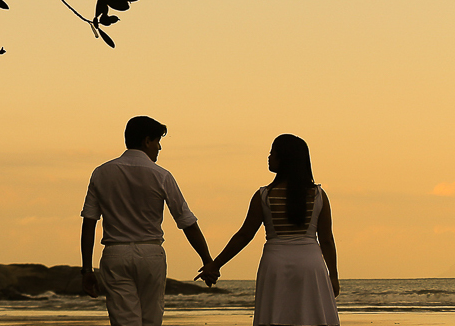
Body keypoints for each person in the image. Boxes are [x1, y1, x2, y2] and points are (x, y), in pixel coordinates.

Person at [81, 116, 215, 326]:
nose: (159, 148)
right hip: (150, 253)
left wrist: (87, 269)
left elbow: (89, 222)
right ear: (146, 141)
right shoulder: (161, 175)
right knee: (152, 319)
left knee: (124, 321)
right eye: (157, 141)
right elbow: (186, 221)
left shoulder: (101, 173)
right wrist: (207, 260)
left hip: (115, 253)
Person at [198, 134, 340, 326]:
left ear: (284, 159)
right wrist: (333, 275)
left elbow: (244, 236)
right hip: (310, 266)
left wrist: (216, 264)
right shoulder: (318, 195)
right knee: (311, 318)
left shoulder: (264, 196)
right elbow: (326, 240)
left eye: (273, 152)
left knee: (275, 317)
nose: (269, 156)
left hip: (275, 266)